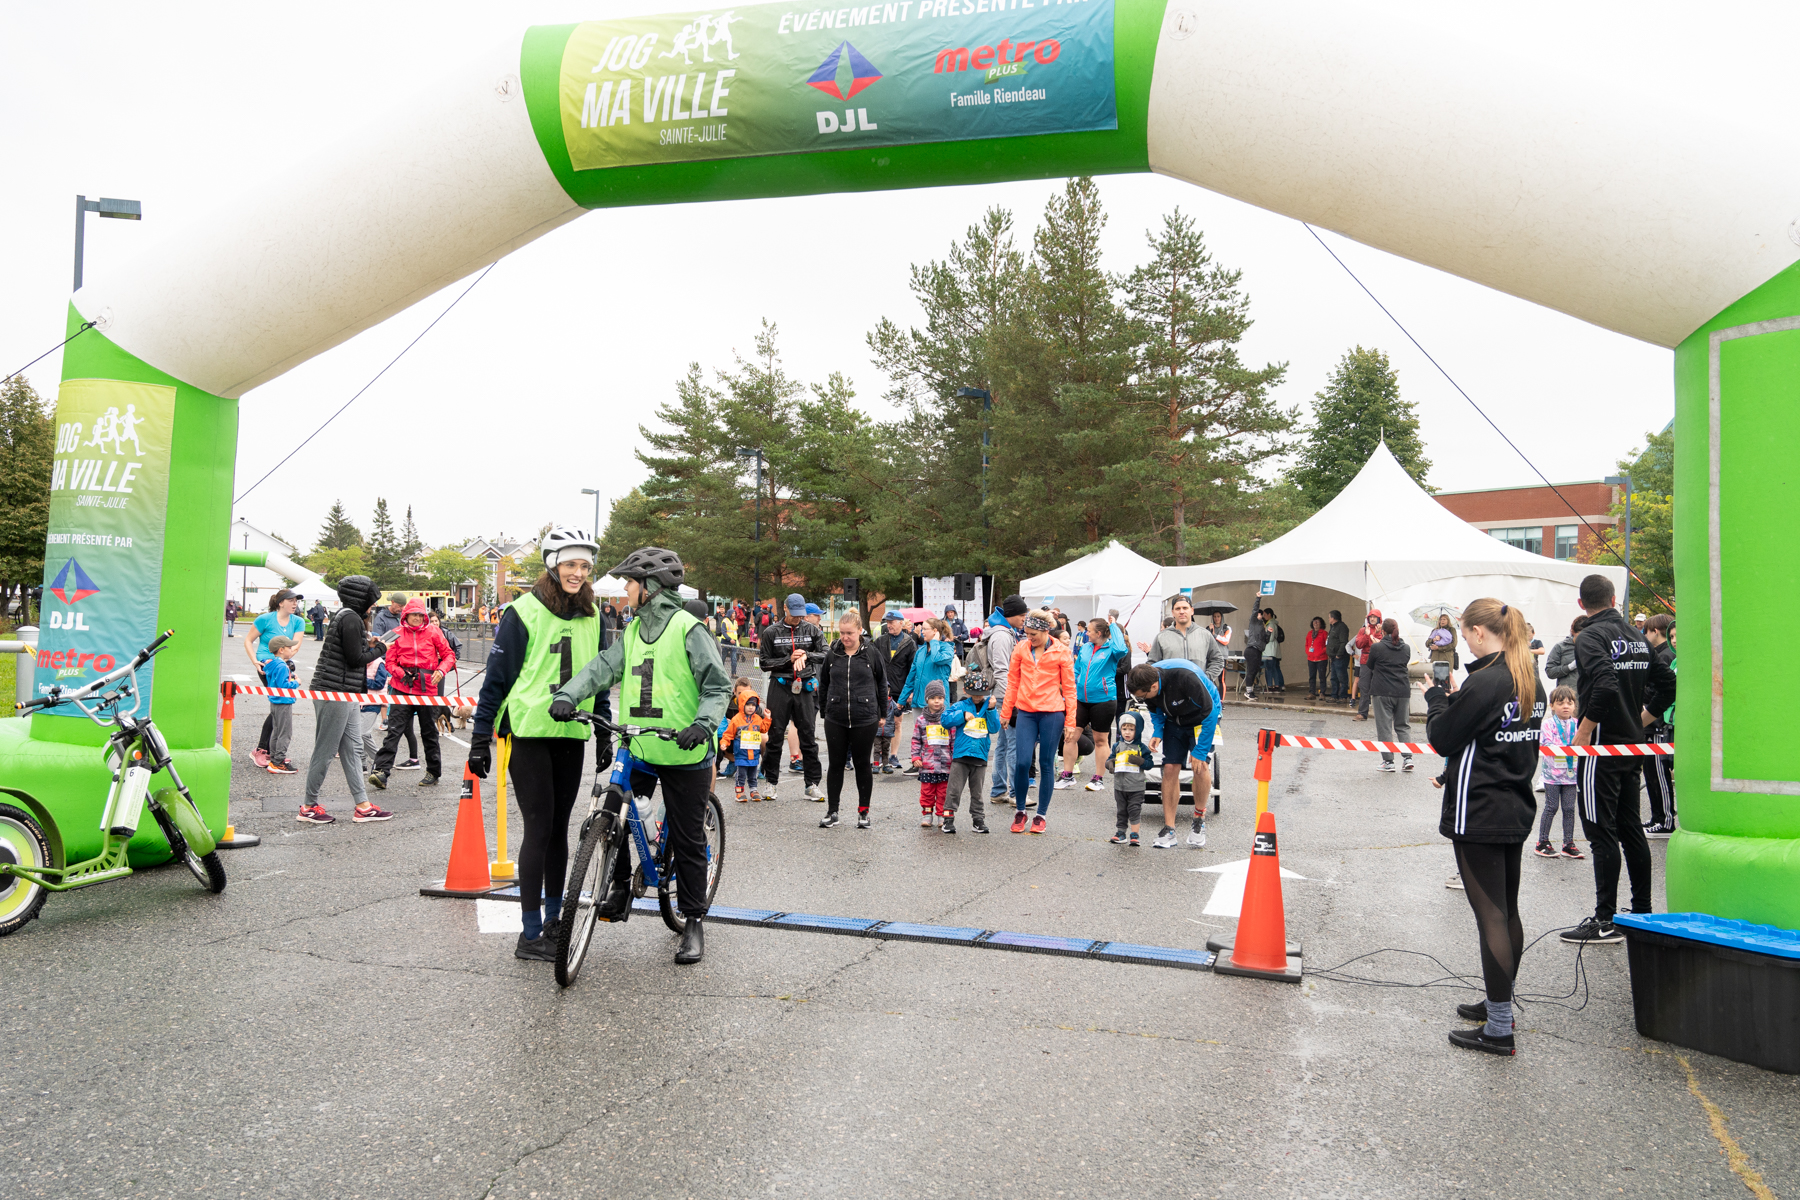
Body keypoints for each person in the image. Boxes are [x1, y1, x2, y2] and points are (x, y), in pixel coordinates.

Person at [547, 544, 728, 965]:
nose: (624, 588)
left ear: (648, 586)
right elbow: (601, 669)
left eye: (629, 581)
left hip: (685, 749)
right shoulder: (630, 631)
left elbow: (717, 686)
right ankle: (619, 883)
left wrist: (702, 724)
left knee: (687, 838)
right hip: (641, 745)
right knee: (614, 811)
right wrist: (567, 695)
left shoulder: (688, 628)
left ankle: (694, 920)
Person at [467, 528, 609, 960]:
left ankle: (552, 922)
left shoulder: (594, 614)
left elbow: (600, 674)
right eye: (570, 564)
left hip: (572, 731)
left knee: (559, 833)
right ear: (552, 563)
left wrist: (603, 726)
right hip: (529, 730)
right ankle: (528, 934)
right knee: (539, 828)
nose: (578, 573)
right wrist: (479, 738)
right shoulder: (522, 611)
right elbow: (497, 680)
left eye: (584, 566)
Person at [1422, 596, 1546, 1056]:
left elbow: (1442, 737)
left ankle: (1499, 1026)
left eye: (1464, 632)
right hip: (1515, 803)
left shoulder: (1487, 682)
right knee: (1506, 908)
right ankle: (1500, 1001)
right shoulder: (1528, 678)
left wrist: (1437, 699)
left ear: (1476, 633)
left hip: (1480, 810)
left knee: (1490, 913)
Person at [1562, 574, 1672, 946]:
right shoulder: (1639, 637)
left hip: (1603, 747)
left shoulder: (1590, 637)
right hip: (1631, 745)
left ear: (1582, 605)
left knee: (1599, 832)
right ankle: (1642, 913)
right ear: (1613, 598)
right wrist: (1643, 719)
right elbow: (1668, 684)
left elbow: (1606, 684)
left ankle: (1605, 920)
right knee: (1629, 829)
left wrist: (1585, 729)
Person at [300, 575, 391, 825]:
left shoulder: (346, 616)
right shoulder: (351, 618)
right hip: (335, 692)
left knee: (352, 750)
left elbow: (351, 652)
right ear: (361, 598)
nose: (372, 606)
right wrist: (380, 649)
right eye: (371, 601)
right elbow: (355, 659)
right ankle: (308, 805)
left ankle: (362, 805)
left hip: (344, 693)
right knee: (325, 750)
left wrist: (368, 643)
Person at [1126, 659, 1219, 849]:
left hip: (1203, 718)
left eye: (1143, 696)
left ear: (1153, 685)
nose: (1142, 699)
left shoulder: (1185, 677)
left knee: (1199, 767)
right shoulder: (1146, 680)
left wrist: (1200, 751)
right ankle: (1169, 828)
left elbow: (1210, 712)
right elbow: (1154, 708)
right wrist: (1158, 731)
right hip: (1174, 720)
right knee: (1169, 768)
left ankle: (1198, 821)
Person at [998, 611, 1076, 835]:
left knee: (1046, 763)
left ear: (1045, 630)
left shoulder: (1062, 651)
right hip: (1026, 712)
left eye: (1033, 634)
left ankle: (1041, 815)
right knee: (1022, 762)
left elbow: (1070, 689)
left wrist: (1071, 722)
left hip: (1052, 713)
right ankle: (1020, 811)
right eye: (1026, 633)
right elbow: (1013, 682)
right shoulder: (1021, 648)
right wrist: (1006, 711)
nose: (1029, 637)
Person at [367, 597, 454, 790]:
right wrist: (400, 673)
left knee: (429, 731)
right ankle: (381, 772)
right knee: (394, 730)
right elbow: (389, 662)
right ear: (406, 615)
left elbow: (449, 655)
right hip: (402, 687)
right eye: (413, 614)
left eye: (420, 614)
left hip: (427, 688)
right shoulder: (395, 634)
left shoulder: (434, 632)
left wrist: (441, 670)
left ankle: (433, 771)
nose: (417, 617)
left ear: (424, 615)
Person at [816, 610, 888, 828]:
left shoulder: (871, 653)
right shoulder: (832, 654)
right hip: (836, 717)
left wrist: (883, 714)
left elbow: (882, 685)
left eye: (850, 633)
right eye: (842, 633)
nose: (845, 637)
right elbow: (824, 683)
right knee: (836, 764)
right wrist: (824, 711)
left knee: (862, 764)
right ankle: (832, 811)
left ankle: (863, 813)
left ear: (859, 631)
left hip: (865, 717)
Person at [757, 593, 826, 800]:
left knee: (808, 735)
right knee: (775, 735)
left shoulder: (812, 630)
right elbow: (764, 663)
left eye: (801, 615)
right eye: (794, 614)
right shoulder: (771, 632)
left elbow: (826, 654)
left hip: (804, 686)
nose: (798, 618)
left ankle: (812, 783)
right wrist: (788, 660)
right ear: (785, 608)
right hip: (780, 686)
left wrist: (806, 655)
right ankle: (770, 782)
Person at [1061, 616, 1128, 792]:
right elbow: (1077, 669)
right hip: (1080, 700)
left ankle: (1098, 779)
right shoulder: (1086, 648)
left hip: (1104, 701)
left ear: (1098, 633)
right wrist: (1074, 684)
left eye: (1089, 631)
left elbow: (1122, 648)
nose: (1086, 633)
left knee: (1100, 740)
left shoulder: (1112, 649)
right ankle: (1067, 776)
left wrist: (1113, 625)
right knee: (1070, 736)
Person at [245, 589, 307, 769]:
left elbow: (295, 645)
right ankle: (263, 750)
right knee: (279, 706)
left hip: (283, 662)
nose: (295, 603)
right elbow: (248, 640)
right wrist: (255, 661)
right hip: (267, 665)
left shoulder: (298, 621)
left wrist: (286, 659)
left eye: (296, 600)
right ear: (280, 603)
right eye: (291, 600)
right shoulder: (265, 619)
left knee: (278, 708)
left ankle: (271, 751)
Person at [939, 666, 997, 835]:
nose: (978, 697)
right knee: (954, 790)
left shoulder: (989, 705)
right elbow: (945, 720)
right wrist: (962, 715)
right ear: (966, 690)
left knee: (977, 793)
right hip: (961, 756)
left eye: (981, 694)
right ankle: (948, 820)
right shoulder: (960, 705)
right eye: (974, 693)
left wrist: (992, 709)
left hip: (980, 756)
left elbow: (994, 729)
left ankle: (978, 821)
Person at [982, 597, 1026, 806]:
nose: (1024, 619)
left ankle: (999, 790)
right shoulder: (1001, 635)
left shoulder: (1003, 632)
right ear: (1011, 615)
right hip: (1006, 696)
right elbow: (1001, 670)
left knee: (1003, 744)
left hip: (1003, 695)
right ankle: (1016, 793)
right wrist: (1013, 698)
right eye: (1022, 615)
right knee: (1013, 745)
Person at [1641, 614, 1678, 837]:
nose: (1674, 640)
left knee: (1658, 774)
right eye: (1672, 636)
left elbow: (1659, 692)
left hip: (1658, 725)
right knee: (1652, 772)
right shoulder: (1667, 657)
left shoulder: (1663, 658)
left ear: (1655, 630)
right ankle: (1659, 817)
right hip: (1657, 722)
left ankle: (1664, 819)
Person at [1143, 597, 1226, 694]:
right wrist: (1164, 683)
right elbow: (1152, 664)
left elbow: (1217, 660)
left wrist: (1205, 678)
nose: (1181, 611)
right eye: (1178, 609)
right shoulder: (1162, 637)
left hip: (1199, 693)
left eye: (1185, 608)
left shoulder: (1205, 635)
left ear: (1192, 611)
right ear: (1173, 612)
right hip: (1172, 694)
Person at [1537, 685, 1582, 859]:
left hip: (1571, 776)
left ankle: (1568, 843)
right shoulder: (1547, 724)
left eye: (1569, 703)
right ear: (1552, 706)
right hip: (1552, 776)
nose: (1565, 706)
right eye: (1560, 702)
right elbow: (1546, 744)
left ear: (1574, 706)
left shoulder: (1578, 724)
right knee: (1551, 807)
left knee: (1569, 809)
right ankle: (1542, 841)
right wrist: (1567, 747)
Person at [1366, 617, 1417, 773]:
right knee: (1403, 725)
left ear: (1383, 631)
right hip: (1402, 691)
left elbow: (1370, 665)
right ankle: (1408, 758)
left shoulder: (1377, 648)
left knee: (1385, 727)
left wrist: (1377, 644)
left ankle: (1388, 762)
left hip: (1382, 691)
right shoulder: (1406, 648)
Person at [873, 611, 918, 771]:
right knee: (877, 721)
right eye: (887, 622)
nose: (889, 625)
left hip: (900, 688)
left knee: (896, 723)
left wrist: (910, 690)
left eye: (892, 621)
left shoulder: (909, 642)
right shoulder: (879, 641)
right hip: (880, 688)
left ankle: (893, 755)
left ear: (901, 622)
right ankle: (876, 757)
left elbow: (913, 668)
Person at [910, 680, 954, 828]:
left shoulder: (948, 719)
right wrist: (915, 757)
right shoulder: (921, 720)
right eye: (933, 698)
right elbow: (916, 740)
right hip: (927, 764)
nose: (937, 701)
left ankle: (941, 815)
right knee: (927, 792)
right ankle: (927, 814)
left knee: (943, 792)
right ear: (927, 699)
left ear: (944, 699)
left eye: (940, 698)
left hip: (945, 764)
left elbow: (953, 740)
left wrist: (955, 759)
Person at [1108, 711, 1152, 846]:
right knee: (1121, 810)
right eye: (1124, 728)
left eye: (1131, 729)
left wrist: (1140, 761)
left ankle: (1135, 834)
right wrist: (1109, 764)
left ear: (1138, 730)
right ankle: (1121, 832)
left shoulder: (1141, 747)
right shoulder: (1117, 746)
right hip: (1119, 785)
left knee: (1134, 809)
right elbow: (1110, 759)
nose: (1127, 732)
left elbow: (1149, 764)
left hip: (1136, 786)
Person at [719, 693, 771, 802]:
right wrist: (724, 742)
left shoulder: (757, 718)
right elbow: (728, 733)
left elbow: (763, 729)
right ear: (742, 704)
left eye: (753, 705)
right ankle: (740, 791)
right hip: (741, 752)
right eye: (748, 705)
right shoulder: (736, 719)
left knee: (753, 773)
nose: (751, 707)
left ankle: (753, 790)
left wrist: (767, 718)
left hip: (754, 753)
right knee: (741, 773)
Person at [261, 636, 300, 774]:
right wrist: (296, 682)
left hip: (274, 701)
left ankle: (274, 759)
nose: (292, 649)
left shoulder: (271, 664)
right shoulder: (282, 666)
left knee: (277, 732)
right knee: (285, 733)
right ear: (281, 649)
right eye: (289, 648)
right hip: (283, 701)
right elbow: (284, 686)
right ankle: (278, 762)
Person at [1544, 615, 1585, 698]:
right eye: (1581, 635)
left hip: (1588, 699)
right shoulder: (1561, 647)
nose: (1584, 639)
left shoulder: (1594, 648)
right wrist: (1569, 667)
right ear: (1572, 632)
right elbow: (1550, 672)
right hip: (1567, 699)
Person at [1352, 611, 1383, 719]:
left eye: (1375, 617)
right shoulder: (1363, 630)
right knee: (1364, 686)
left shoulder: (1383, 630)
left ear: (1379, 618)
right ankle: (1362, 712)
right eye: (1371, 617)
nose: (1373, 619)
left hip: (1378, 661)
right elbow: (1359, 645)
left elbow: (1382, 644)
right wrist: (1366, 634)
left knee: (1379, 687)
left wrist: (1377, 633)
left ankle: (1381, 713)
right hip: (1365, 661)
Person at [1325, 610, 1351, 702]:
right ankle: (1334, 695)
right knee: (1334, 677)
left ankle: (1343, 696)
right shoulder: (1332, 627)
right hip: (1333, 657)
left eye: (1329, 617)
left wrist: (1339, 654)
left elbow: (1343, 641)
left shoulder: (1342, 627)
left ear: (1333, 618)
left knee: (1342, 677)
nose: (1328, 619)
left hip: (1340, 657)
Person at [1241, 607, 1268, 699]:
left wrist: (1269, 633)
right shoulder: (1253, 622)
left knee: (1255, 671)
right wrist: (1258, 598)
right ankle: (1248, 691)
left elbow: (1266, 640)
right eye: (1260, 614)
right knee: (1251, 671)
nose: (1261, 615)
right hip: (1252, 650)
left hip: (1258, 651)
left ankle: (1250, 691)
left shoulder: (1261, 626)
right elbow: (1254, 610)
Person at [1304, 617, 1329, 699]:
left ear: (1321, 623)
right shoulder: (1309, 633)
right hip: (1311, 658)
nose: (1315, 624)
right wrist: (1308, 651)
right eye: (1314, 622)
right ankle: (1312, 692)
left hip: (1321, 658)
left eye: (1317, 622)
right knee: (1312, 676)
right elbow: (1307, 644)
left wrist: (1321, 651)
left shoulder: (1324, 633)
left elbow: (1327, 645)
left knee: (1322, 676)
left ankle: (1322, 693)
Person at [1262, 608, 1286, 692]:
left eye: (1265, 614)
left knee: (1269, 668)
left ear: (1269, 615)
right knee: (1275, 668)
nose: (1263, 616)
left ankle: (1270, 686)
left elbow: (1270, 638)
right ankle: (1278, 685)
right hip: (1274, 650)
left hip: (1269, 651)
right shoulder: (1273, 623)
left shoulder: (1270, 624)